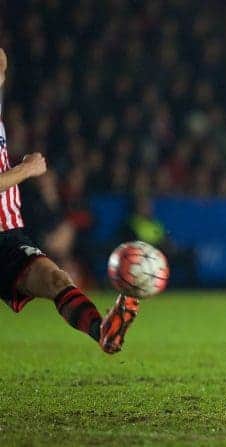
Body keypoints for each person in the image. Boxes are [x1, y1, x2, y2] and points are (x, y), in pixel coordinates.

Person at [0, 48, 138, 354]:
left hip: (7, 237)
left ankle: (103, 331)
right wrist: (27, 169)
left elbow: (1, 61)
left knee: (55, 278)